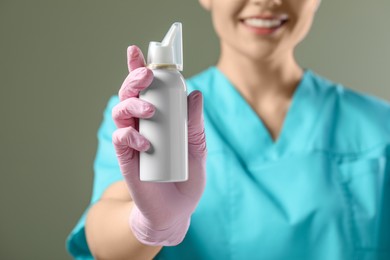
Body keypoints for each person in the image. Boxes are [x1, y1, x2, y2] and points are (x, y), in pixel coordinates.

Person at [67, 0, 390, 259]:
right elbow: (105, 237)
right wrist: (148, 224)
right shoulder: (149, 112)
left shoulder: (379, 127)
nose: (268, 2)